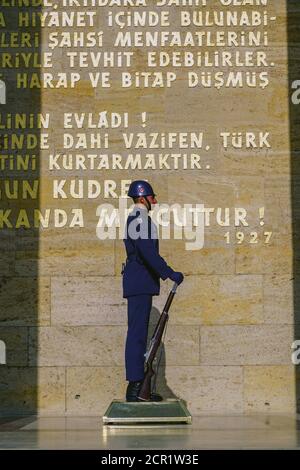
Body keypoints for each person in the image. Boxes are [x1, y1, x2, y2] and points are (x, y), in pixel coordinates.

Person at [122, 180, 184, 402]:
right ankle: (136, 386)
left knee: (138, 334)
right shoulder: (139, 220)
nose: (154, 202)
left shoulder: (138, 219)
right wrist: (169, 272)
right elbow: (148, 252)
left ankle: (139, 385)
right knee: (137, 335)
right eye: (151, 198)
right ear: (142, 199)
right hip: (140, 282)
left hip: (139, 282)